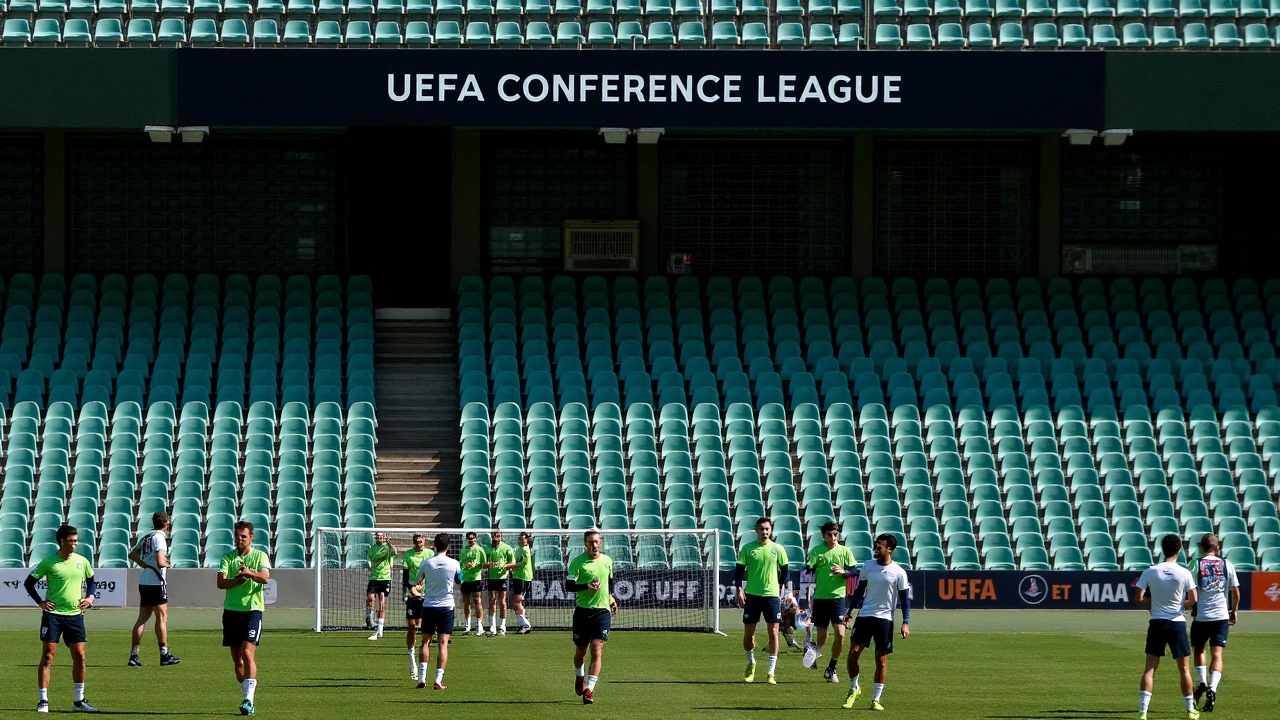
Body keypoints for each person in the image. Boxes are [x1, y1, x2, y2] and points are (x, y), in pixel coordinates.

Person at [26, 524, 99, 713]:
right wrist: (40, 602)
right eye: (71, 541)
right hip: (53, 616)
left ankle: (79, 701)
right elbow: (29, 582)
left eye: (76, 541)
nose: (75, 544)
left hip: (75, 615)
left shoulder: (82, 561)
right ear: (62, 541)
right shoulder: (49, 562)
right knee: (48, 656)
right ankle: (43, 701)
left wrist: (90, 597)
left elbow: (91, 580)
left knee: (80, 657)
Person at [1135, 534, 1199, 720]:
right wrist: (1182, 606)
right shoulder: (1184, 572)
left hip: (1157, 622)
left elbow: (1138, 598)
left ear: (1162, 550)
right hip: (1177, 623)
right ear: (1179, 550)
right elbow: (1194, 599)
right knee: (1184, 669)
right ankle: (1190, 710)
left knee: (1150, 668)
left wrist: (1153, 605)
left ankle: (1143, 711)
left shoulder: (1151, 571)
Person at [843, 533, 910, 711]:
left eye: (879, 547)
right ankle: (854, 688)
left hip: (885, 619)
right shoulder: (868, 566)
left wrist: (905, 622)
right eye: (875, 546)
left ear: (890, 549)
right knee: (853, 653)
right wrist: (849, 611)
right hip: (865, 615)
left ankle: (875, 699)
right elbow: (859, 591)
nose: (876, 549)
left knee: (881, 660)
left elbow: (904, 600)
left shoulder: (899, 572)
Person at [216, 521, 271, 716]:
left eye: (244, 536)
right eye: (238, 536)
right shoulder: (227, 558)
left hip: (252, 610)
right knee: (238, 663)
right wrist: (239, 579)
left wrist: (250, 573)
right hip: (231, 611)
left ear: (251, 537)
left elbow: (265, 577)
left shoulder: (259, 556)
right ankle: (247, 687)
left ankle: (249, 700)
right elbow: (220, 583)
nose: (240, 539)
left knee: (248, 654)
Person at [736, 517, 790, 685]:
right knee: (748, 635)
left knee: (773, 632)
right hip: (752, 595)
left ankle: (770, 672)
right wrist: (739, 589)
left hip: (772, 596)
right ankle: (751, 662)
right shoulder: (748, 548)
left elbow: (785, 570)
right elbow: (738, 571)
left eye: (767, 529)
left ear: (771, 530)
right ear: (756, 530)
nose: (764, 532)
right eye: (761, 529)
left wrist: (782, 586)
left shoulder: (778, 549)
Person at [567, 529, 617, 705]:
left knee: (597, 648)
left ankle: (589, 689)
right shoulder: (577, 562)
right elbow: (569, 586)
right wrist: (586, 586)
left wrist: (611, 598)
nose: (594, 545)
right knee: (581, 651)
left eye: (596, 541)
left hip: (602, 612)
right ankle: (579, 677)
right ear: (585, 544)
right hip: (582, 612)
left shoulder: (607, 561)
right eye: (590, 542)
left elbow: (609, 583)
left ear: (600, 542)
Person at [1189, 534, 1237, 714]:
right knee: (1217, 653)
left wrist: (1192, 606)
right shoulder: (1227, 564)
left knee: (1199, 650)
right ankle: (1213, 689)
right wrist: (1234, 610)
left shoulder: (1196, 564)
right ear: (1217, 547)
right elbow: (1236, 591)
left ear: (1201, 547)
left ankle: (1202, 682)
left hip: (1202, 616)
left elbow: (1191, 589)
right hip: (1221, 615)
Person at [128, 512, 181, 668]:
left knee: (142, 619)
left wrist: (143, 564)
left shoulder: (147, 536)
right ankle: (164, 654)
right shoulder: (160, 538)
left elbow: (132, 554)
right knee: (162, 617)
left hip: (144, 580)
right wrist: (166, 564)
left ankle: (134, 655)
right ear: (165, 523)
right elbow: (160, 561)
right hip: (157, 582)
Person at [807, 521, 857, 682]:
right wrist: (809, 567)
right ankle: (814, 650)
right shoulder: (817, 551)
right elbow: (810, 567)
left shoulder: (845, 551)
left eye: (835, 535)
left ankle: (831, 668)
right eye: (829, 535)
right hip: (821, 598)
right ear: (824, 536)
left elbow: (855, 571)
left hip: (838, 598)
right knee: (822, 636)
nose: (833, 538)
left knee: (840, 634)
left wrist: (845, 572)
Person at [412, 533, 461, 690]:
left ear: (434, 545)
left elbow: (418, 581)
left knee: (425, 641)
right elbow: (460, 580)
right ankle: (438, 681)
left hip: (429, 606)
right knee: (443, 644)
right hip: (446, 607)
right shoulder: (454, 563)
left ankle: (422, 678)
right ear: (448, 546)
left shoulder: (427, 563)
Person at [401, 534, 433, 679]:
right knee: (412, 626)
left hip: (428, 595)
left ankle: (423, 665)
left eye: (421, 542)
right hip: (413, 595)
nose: (419, 544)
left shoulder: (430, 554)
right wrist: (412, 588)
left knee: (428, 630)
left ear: (424, 542)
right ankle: (411, 658)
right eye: (417, 542)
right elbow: (405, 577)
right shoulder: (408, 555)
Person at [484, 531, 516, 637]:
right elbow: (483, 564)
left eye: (498, 535)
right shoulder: (488, 548)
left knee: (502, 602)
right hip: (491, 578)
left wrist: (504, 566)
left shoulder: (507, 548)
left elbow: (513, 563)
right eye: (494, 535)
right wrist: (489, 564)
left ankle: (502, 626)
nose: (496, 537)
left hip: (502, 578)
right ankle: (492, 627)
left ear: (501, 536)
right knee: (491, 601)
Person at [365, 532, 396, 640]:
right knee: (369, 599)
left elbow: (394, 552)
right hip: (374, 577)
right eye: (378, 536)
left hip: (385, 578)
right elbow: (369, 560)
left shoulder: (387, 548)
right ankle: (370, 619)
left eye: (381, 536)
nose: (379, 537)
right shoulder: (372, 548)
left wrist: (390, 544)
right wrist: (370, 566)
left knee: (382, 603)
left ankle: (379, 629)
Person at [458, 532, 486, 636]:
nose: (471, 540)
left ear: (475, 539)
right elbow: (460, 564)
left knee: (477, 601)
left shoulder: (479, 549)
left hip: (476, 578)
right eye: (469, 539)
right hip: (465, 579)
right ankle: (467, 625)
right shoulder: (463, 550)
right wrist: (465, 565)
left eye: (473, 538)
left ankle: (479, 625)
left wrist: (477, 565)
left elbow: (484, 564)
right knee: (466, 603)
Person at [510, 532, 534, 634]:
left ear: (527, 540)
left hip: (524, 577)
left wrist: (509, 566)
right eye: (519, 538)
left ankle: (525, 624)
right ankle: (523, 622)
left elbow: (522, 563)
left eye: (522, 539)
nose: (520, 540)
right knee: (514, 602)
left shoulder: (526, 550)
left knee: (517, 601)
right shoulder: (517, 549)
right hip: (517, 577)